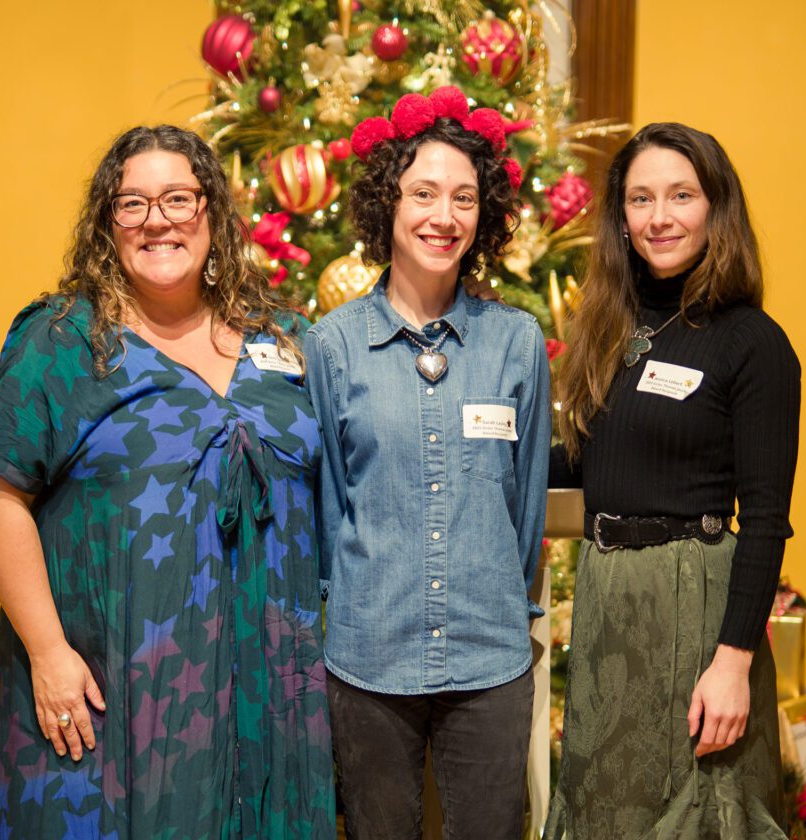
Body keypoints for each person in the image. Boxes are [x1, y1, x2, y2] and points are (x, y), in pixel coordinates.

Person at [0, 125, 335, 839]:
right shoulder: (65, 341)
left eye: (177, 198)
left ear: (213, 213)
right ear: (108, 223)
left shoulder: (286, 339)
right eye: (131, 203)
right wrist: (47, 653)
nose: (156, 219)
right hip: (112, 689)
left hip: (269, 689)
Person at [304, 87, 550, 840]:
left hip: (489, 657)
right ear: (389, 204)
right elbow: (329, 507)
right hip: (368, 655)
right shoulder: (333, 345)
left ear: (485, 215)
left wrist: (506, 606)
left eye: (464, 198)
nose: (444, 217)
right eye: (423, 193)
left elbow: (527, 508)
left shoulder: (517, 342)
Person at [545, 122, 800, 838]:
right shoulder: (612, 333)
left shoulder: (752, 342)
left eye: (681, 196)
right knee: (604, 805)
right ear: (620, 220)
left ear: (716, 209)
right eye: (641, 199)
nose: (660, 217)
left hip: (697, 612)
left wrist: (733, 663)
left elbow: (769, 519)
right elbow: (579, 461)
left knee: (696, 810)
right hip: (607, 604)